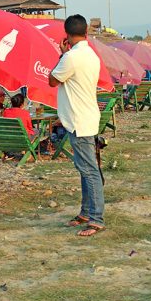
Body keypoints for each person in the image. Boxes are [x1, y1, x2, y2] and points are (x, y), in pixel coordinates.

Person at [49, 14, 105, 237]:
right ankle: (86, 212)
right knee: (86, 169)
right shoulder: (91, 55)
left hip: (78, 120)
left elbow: (53, 80)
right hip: (87, 117)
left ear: (67, 35)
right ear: (86, 32)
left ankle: (96, 218)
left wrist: (61, 55)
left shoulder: (71, 57)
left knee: (89, 171)